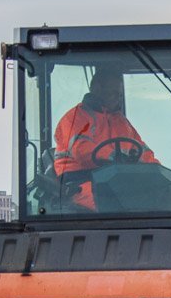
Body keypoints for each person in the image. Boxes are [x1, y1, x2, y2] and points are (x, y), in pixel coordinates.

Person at [53, 67, 159, 210]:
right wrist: (113, 157)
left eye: (120, 95)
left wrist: (158, 171)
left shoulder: (122, 122)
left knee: (154, 197)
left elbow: (141, 150)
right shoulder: (75, 118)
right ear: (97, 89)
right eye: (113, 93)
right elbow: (82, 150)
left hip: (115, 181)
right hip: (81, 181)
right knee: (112, 203)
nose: (118, 98)